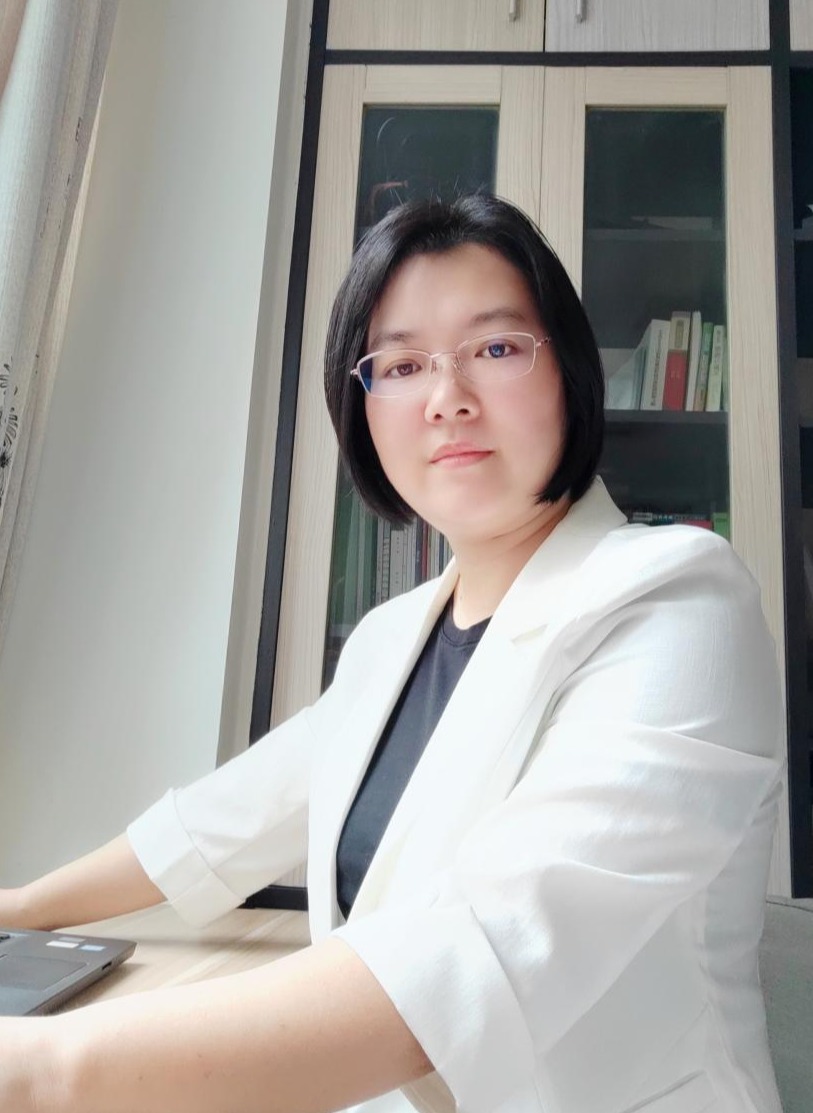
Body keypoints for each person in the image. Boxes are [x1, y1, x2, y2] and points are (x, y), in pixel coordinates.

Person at [0, 194, 785, 1113]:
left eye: (496, 348)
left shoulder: (678, 599)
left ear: (568, 373)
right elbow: (222, 821)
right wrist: (18, 907)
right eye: (403, 365)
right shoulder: (390, 636)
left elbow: (477, 954)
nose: (448, 396)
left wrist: (42, 1068)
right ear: (363, 410)